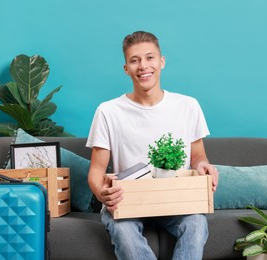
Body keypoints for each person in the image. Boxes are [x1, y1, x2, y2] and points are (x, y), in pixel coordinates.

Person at [87, 31, 218, 260]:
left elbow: (198, 157)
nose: (143, 66)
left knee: (196, 223)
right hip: (128, 201)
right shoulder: (108, 111)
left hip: (175, 201)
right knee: (122, 229)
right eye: (134, 60)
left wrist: (204, 167)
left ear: (161, 61)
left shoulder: (188, 106)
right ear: (126, 68)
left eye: (149, 58)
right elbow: (96, 172)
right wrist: (102, 193)